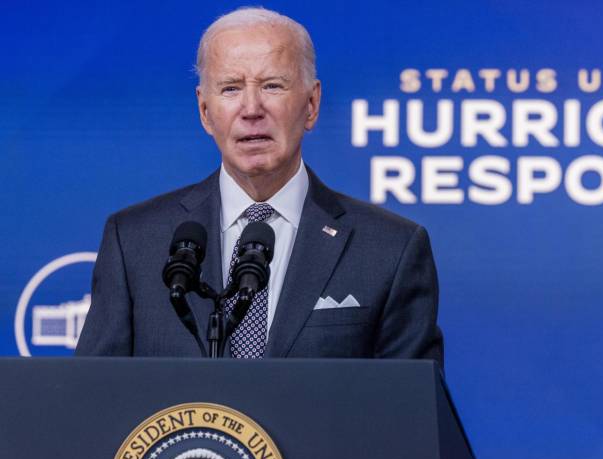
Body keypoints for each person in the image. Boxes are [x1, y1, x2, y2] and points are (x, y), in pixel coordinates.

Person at [75, 7, 443, 368]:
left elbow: (411, 404)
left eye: (272, 86)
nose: (251, 109)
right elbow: (95, 395)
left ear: (312, 104)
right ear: (205, 111)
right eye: (230, 88)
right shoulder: (134, 241)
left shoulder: (390, 248)